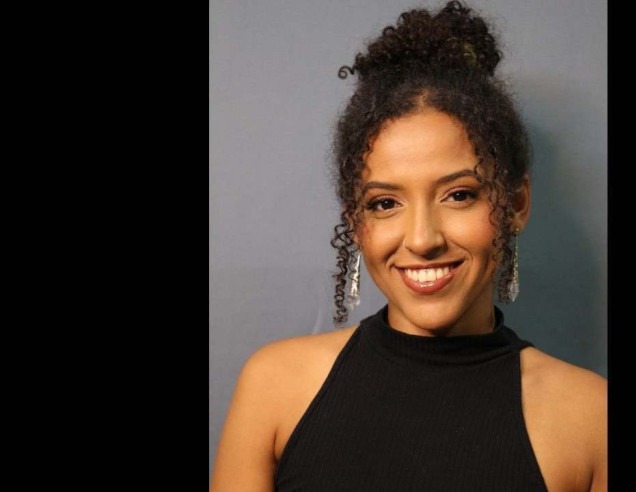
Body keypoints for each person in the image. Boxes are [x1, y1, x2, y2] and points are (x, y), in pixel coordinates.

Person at [211, 2, 606, 491]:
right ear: (356, 222)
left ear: (517, 204)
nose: (422, 239)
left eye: (459, 195)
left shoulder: (591, 419)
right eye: (384, 203)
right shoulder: (273, 384)